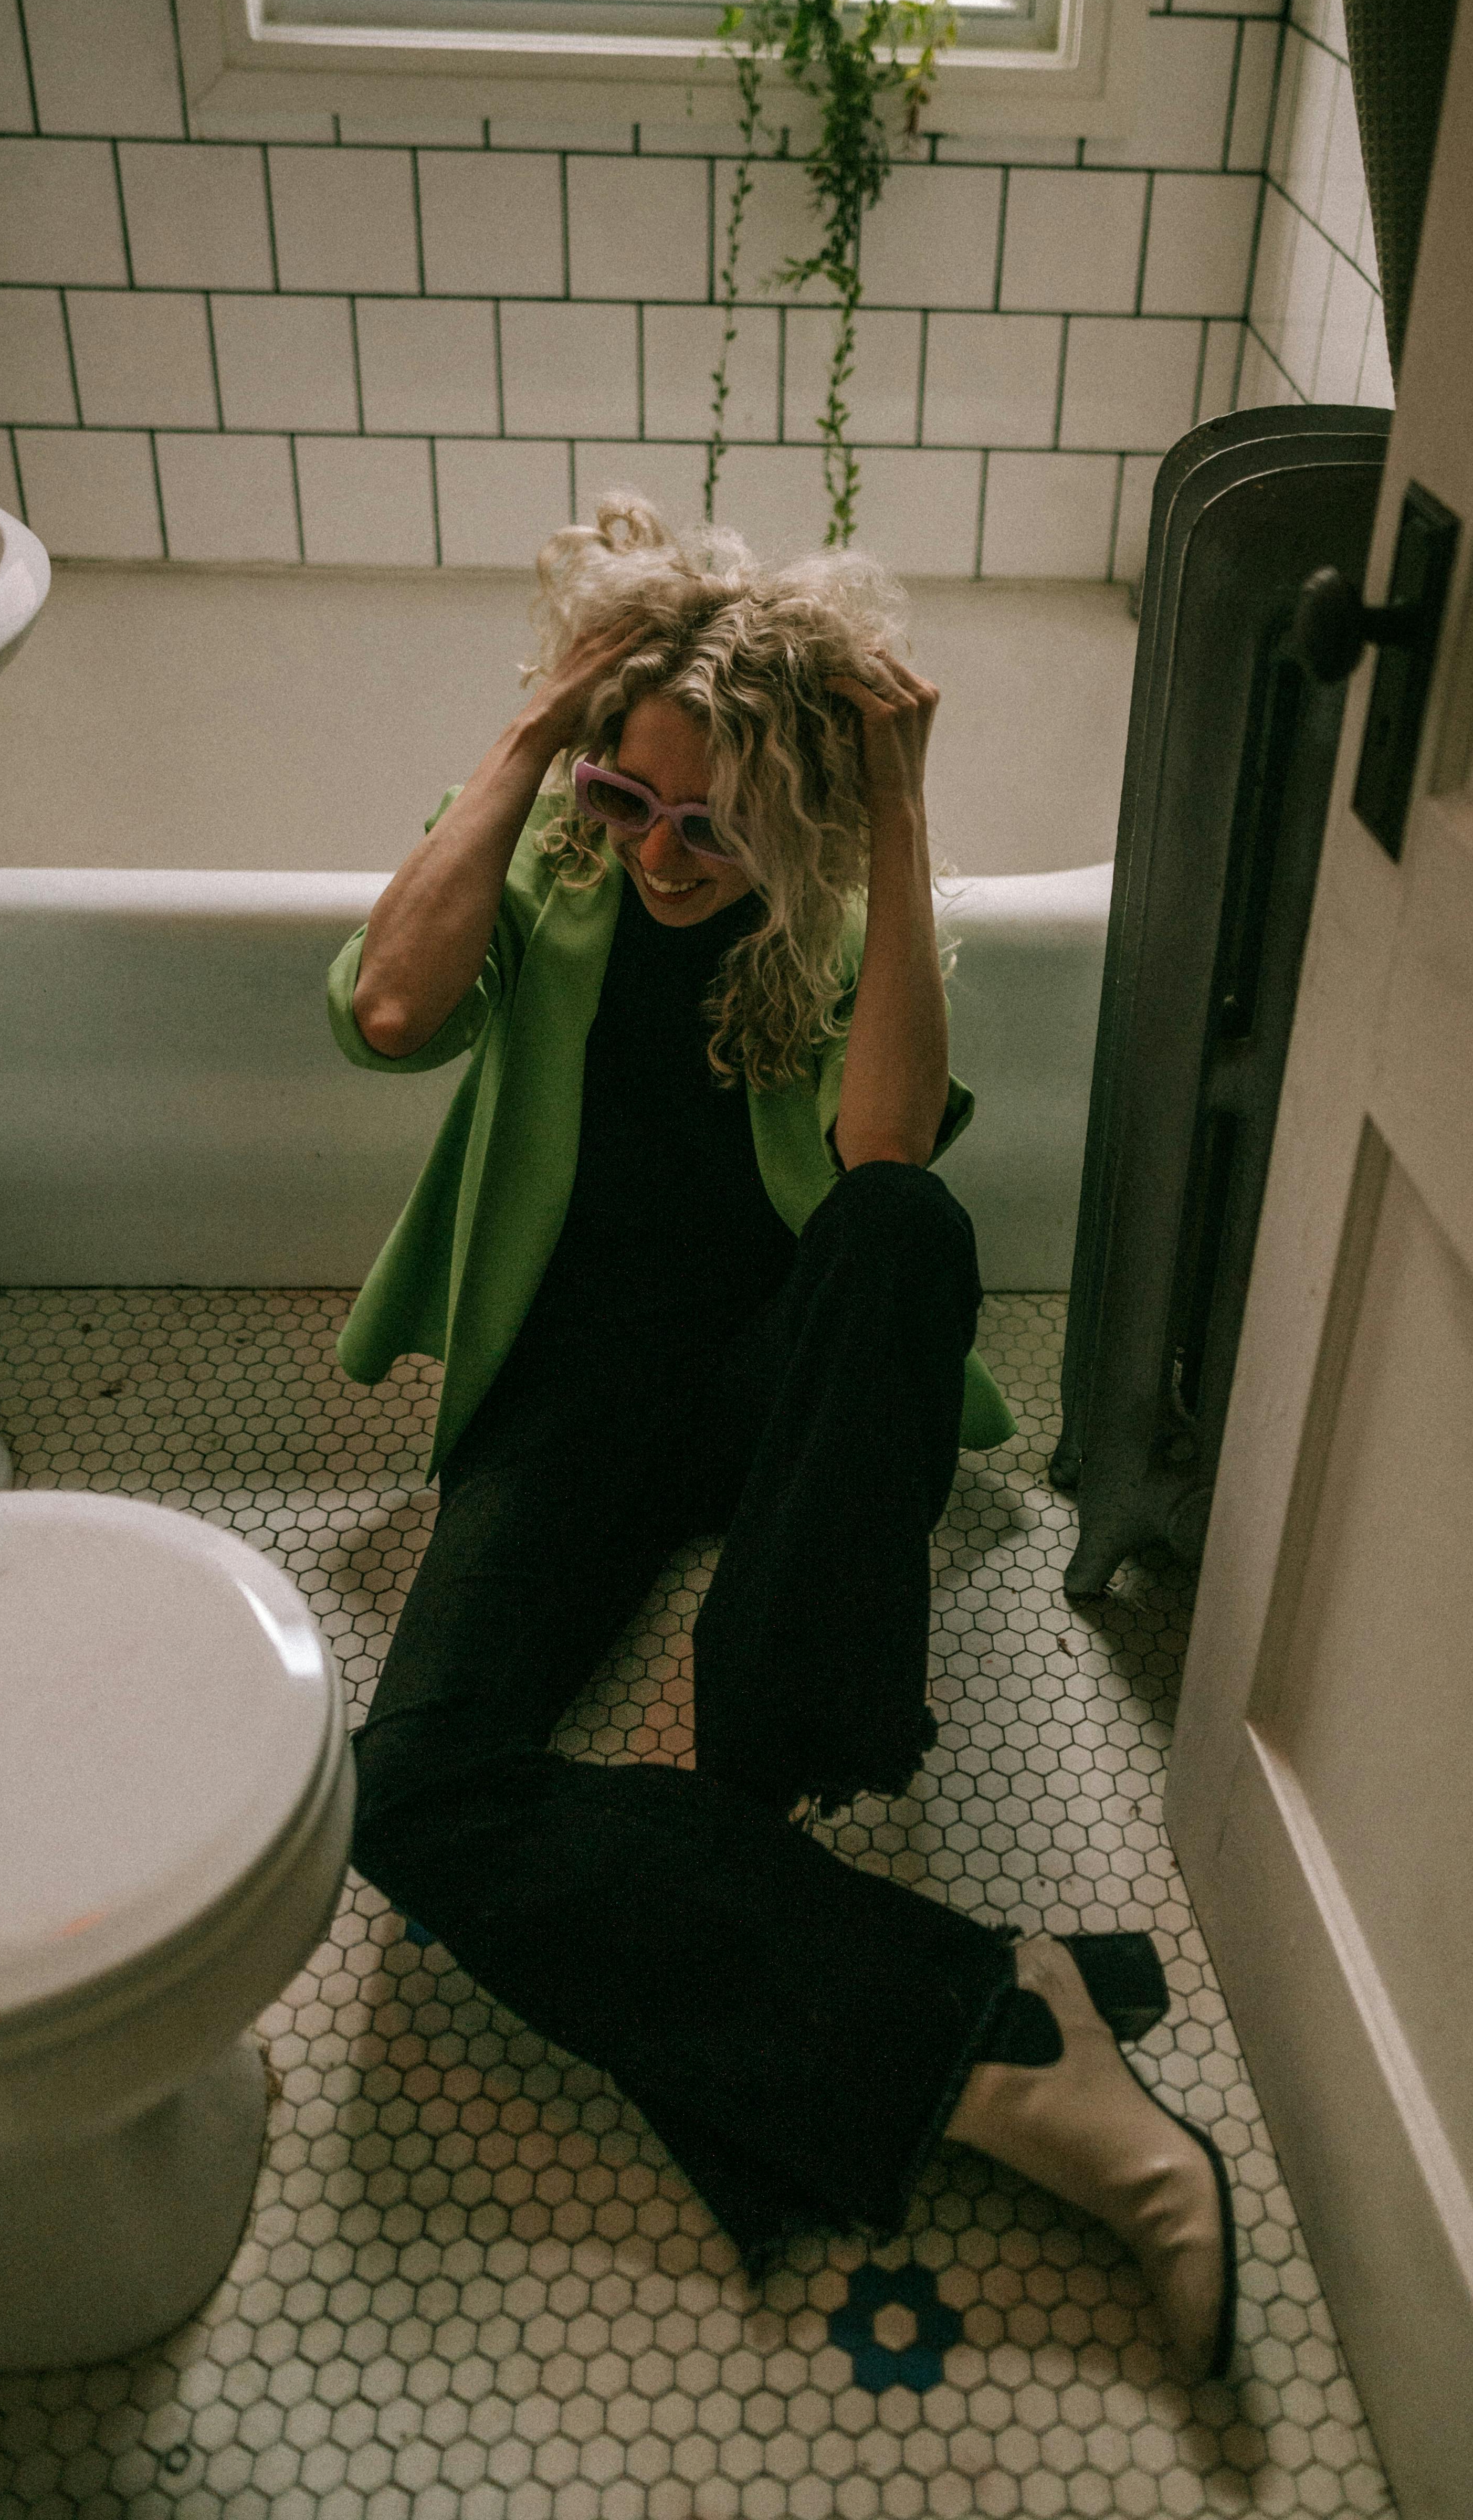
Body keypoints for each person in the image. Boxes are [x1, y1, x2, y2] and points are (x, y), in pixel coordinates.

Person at [327, 496, 1236, 2380]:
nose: (662, 857)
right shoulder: (555, 865)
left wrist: (896, 819)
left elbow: (884, 1153)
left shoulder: (826, 910)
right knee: (409, 1794)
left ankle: (770, 1755)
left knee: (904, 1228)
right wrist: (525, 748)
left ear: (787, 823)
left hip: (775, 1389)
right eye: (630, 803)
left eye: (711, 826)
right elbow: (394, 1008)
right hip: (574, 1398)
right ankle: (998, 2026)